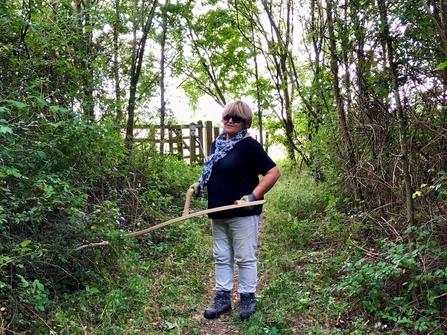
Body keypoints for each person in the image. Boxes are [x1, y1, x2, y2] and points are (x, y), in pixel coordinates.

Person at [190, 100, 280, 321]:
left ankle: (248, 298)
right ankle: (223, 298)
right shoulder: (217, 144)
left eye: (236, 118)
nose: (230, 121)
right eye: (227, 116)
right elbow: (215, 171)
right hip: (218, 210)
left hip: (242, 213)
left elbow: (273, 172)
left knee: (244, 257)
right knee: (221, 256)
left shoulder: (249, 145)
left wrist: (252, 198)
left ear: (244, 122)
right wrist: (198, 183)